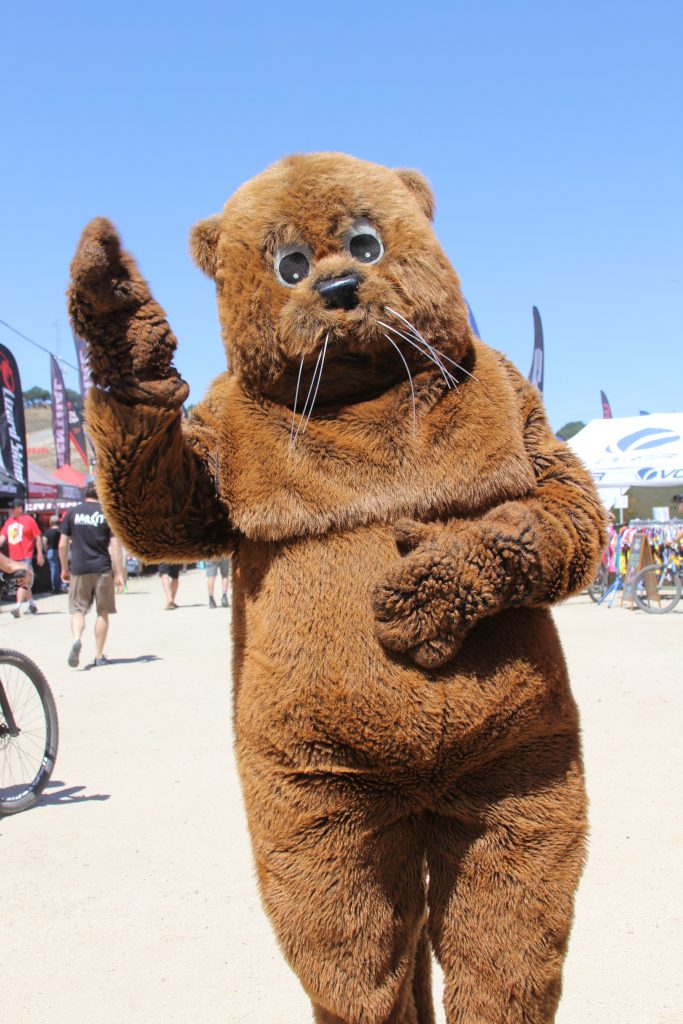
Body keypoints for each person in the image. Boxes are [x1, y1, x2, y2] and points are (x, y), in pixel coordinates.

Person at [58, 479, 124, 668]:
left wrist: (64, 568)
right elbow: (115, 547)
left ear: (83, 493)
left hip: (79, 569)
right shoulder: (106, 514)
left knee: (78, 609)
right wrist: (119, 573)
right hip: (102, 568)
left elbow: (62, 545)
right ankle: (99, 655)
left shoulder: (72, 513)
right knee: (102, 612)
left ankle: (76, 639)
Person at [0, 499, 45, 617]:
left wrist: (39, 553)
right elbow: (2, 537)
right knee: (25, 582)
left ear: (20, 508)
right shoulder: (9, 522)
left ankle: (17, 607)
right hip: (13, 558)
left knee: (22, 582)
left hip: (26, 557)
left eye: (13, 508)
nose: (11, 510)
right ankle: (32, 604)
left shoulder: (29, 520)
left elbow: (37, 537)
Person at [44, 514, 63, 593]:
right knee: (61, 568)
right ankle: (62, 586)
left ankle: (55, 587)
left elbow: (44, 542)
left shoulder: (47, 532)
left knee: (53, 569)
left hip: (51, 551)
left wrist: (45, 550)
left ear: (50, 522)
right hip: (60, 550)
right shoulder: (61, 531)